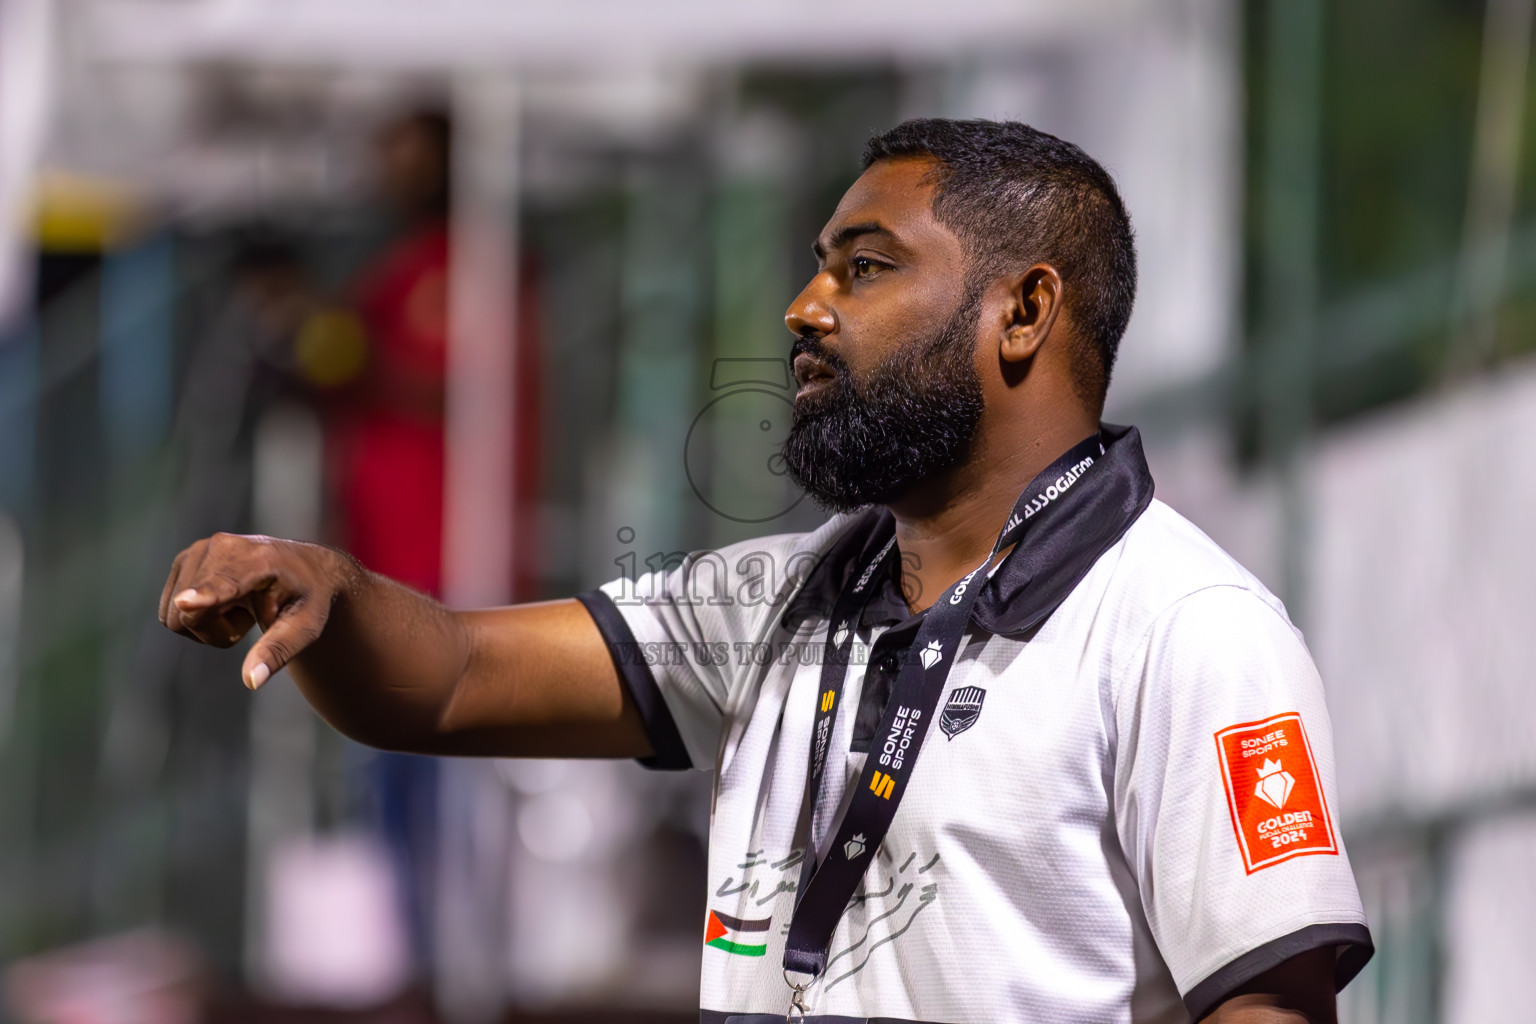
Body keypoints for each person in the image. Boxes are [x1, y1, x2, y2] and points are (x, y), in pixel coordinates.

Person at [159, 119, 1372, 1024]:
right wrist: (331, 590)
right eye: (819, 263)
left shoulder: (1186, 623)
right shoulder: (783, 601)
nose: (805, 306)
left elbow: (1270, 1001)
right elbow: (454, 679)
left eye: (867, 265)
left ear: (1024, 310)